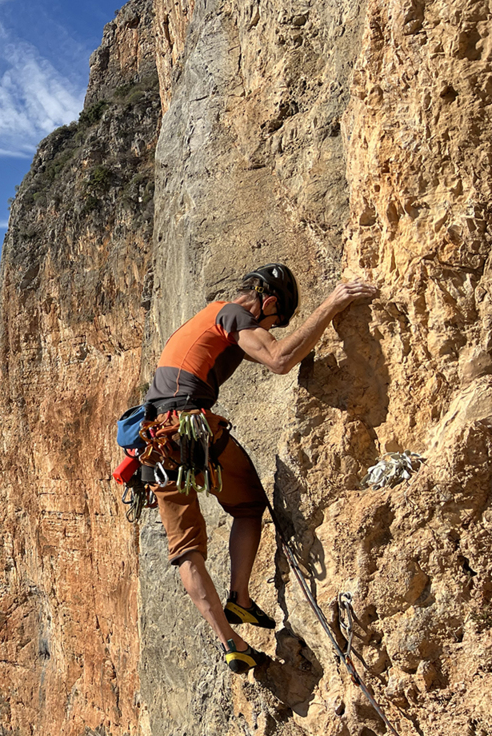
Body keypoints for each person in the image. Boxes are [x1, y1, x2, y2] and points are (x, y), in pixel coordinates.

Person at [140, 265, 378, 674]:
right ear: (268, 303)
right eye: (271, 320)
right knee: (249, 505)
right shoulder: (232, 314)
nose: (267, 327)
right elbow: (279, 358)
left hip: (153, 445)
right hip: (188, 429)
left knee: (186, 551)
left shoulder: (198, 321)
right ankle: (239, 595)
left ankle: (232, 641)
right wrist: (332, 304)